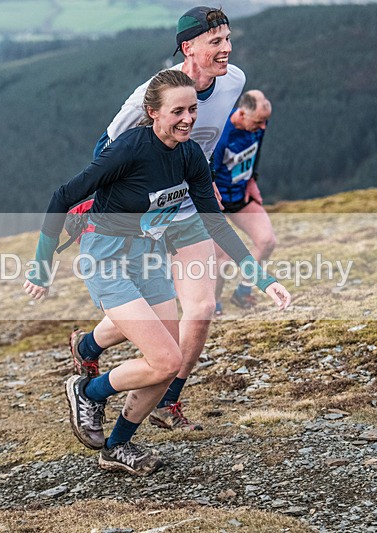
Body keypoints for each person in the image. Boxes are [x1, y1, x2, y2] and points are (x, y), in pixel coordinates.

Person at [25, 70, 291, 475]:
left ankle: (116, 447)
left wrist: (264, 279)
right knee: (167, 360)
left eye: (193, 110)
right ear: (152, 113)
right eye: (177, 111)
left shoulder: (189, 156)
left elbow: (215, 223)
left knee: (167, 363)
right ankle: (88, 390)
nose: (188, 119)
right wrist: (41, 267)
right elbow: (62, 196)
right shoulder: (128, 149)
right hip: (107, 256)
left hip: (146, 252)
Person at [71, 5, 245, 431]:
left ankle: (168, 398)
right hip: (145, 213)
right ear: (188, 48)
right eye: (215, 42)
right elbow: (105, 152)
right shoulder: (150, 95)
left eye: (227, 39)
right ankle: (89, 345)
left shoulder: (235, 81)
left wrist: (205, 182)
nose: (226, 49)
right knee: (151, 307)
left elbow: (208, 140)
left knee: (201, 307)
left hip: (187, 206)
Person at [212, 89, 277, 315]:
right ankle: (213, 303)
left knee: (267, 240)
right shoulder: (221, 135)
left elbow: (255, 154)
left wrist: (252, 180)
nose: (263, 128)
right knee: (223, 255)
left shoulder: (257, 128)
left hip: (240, 195)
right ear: (241, 114)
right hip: (216, 200)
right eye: (259, 122)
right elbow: (207, 174)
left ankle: (243, 291)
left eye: (266, 121)